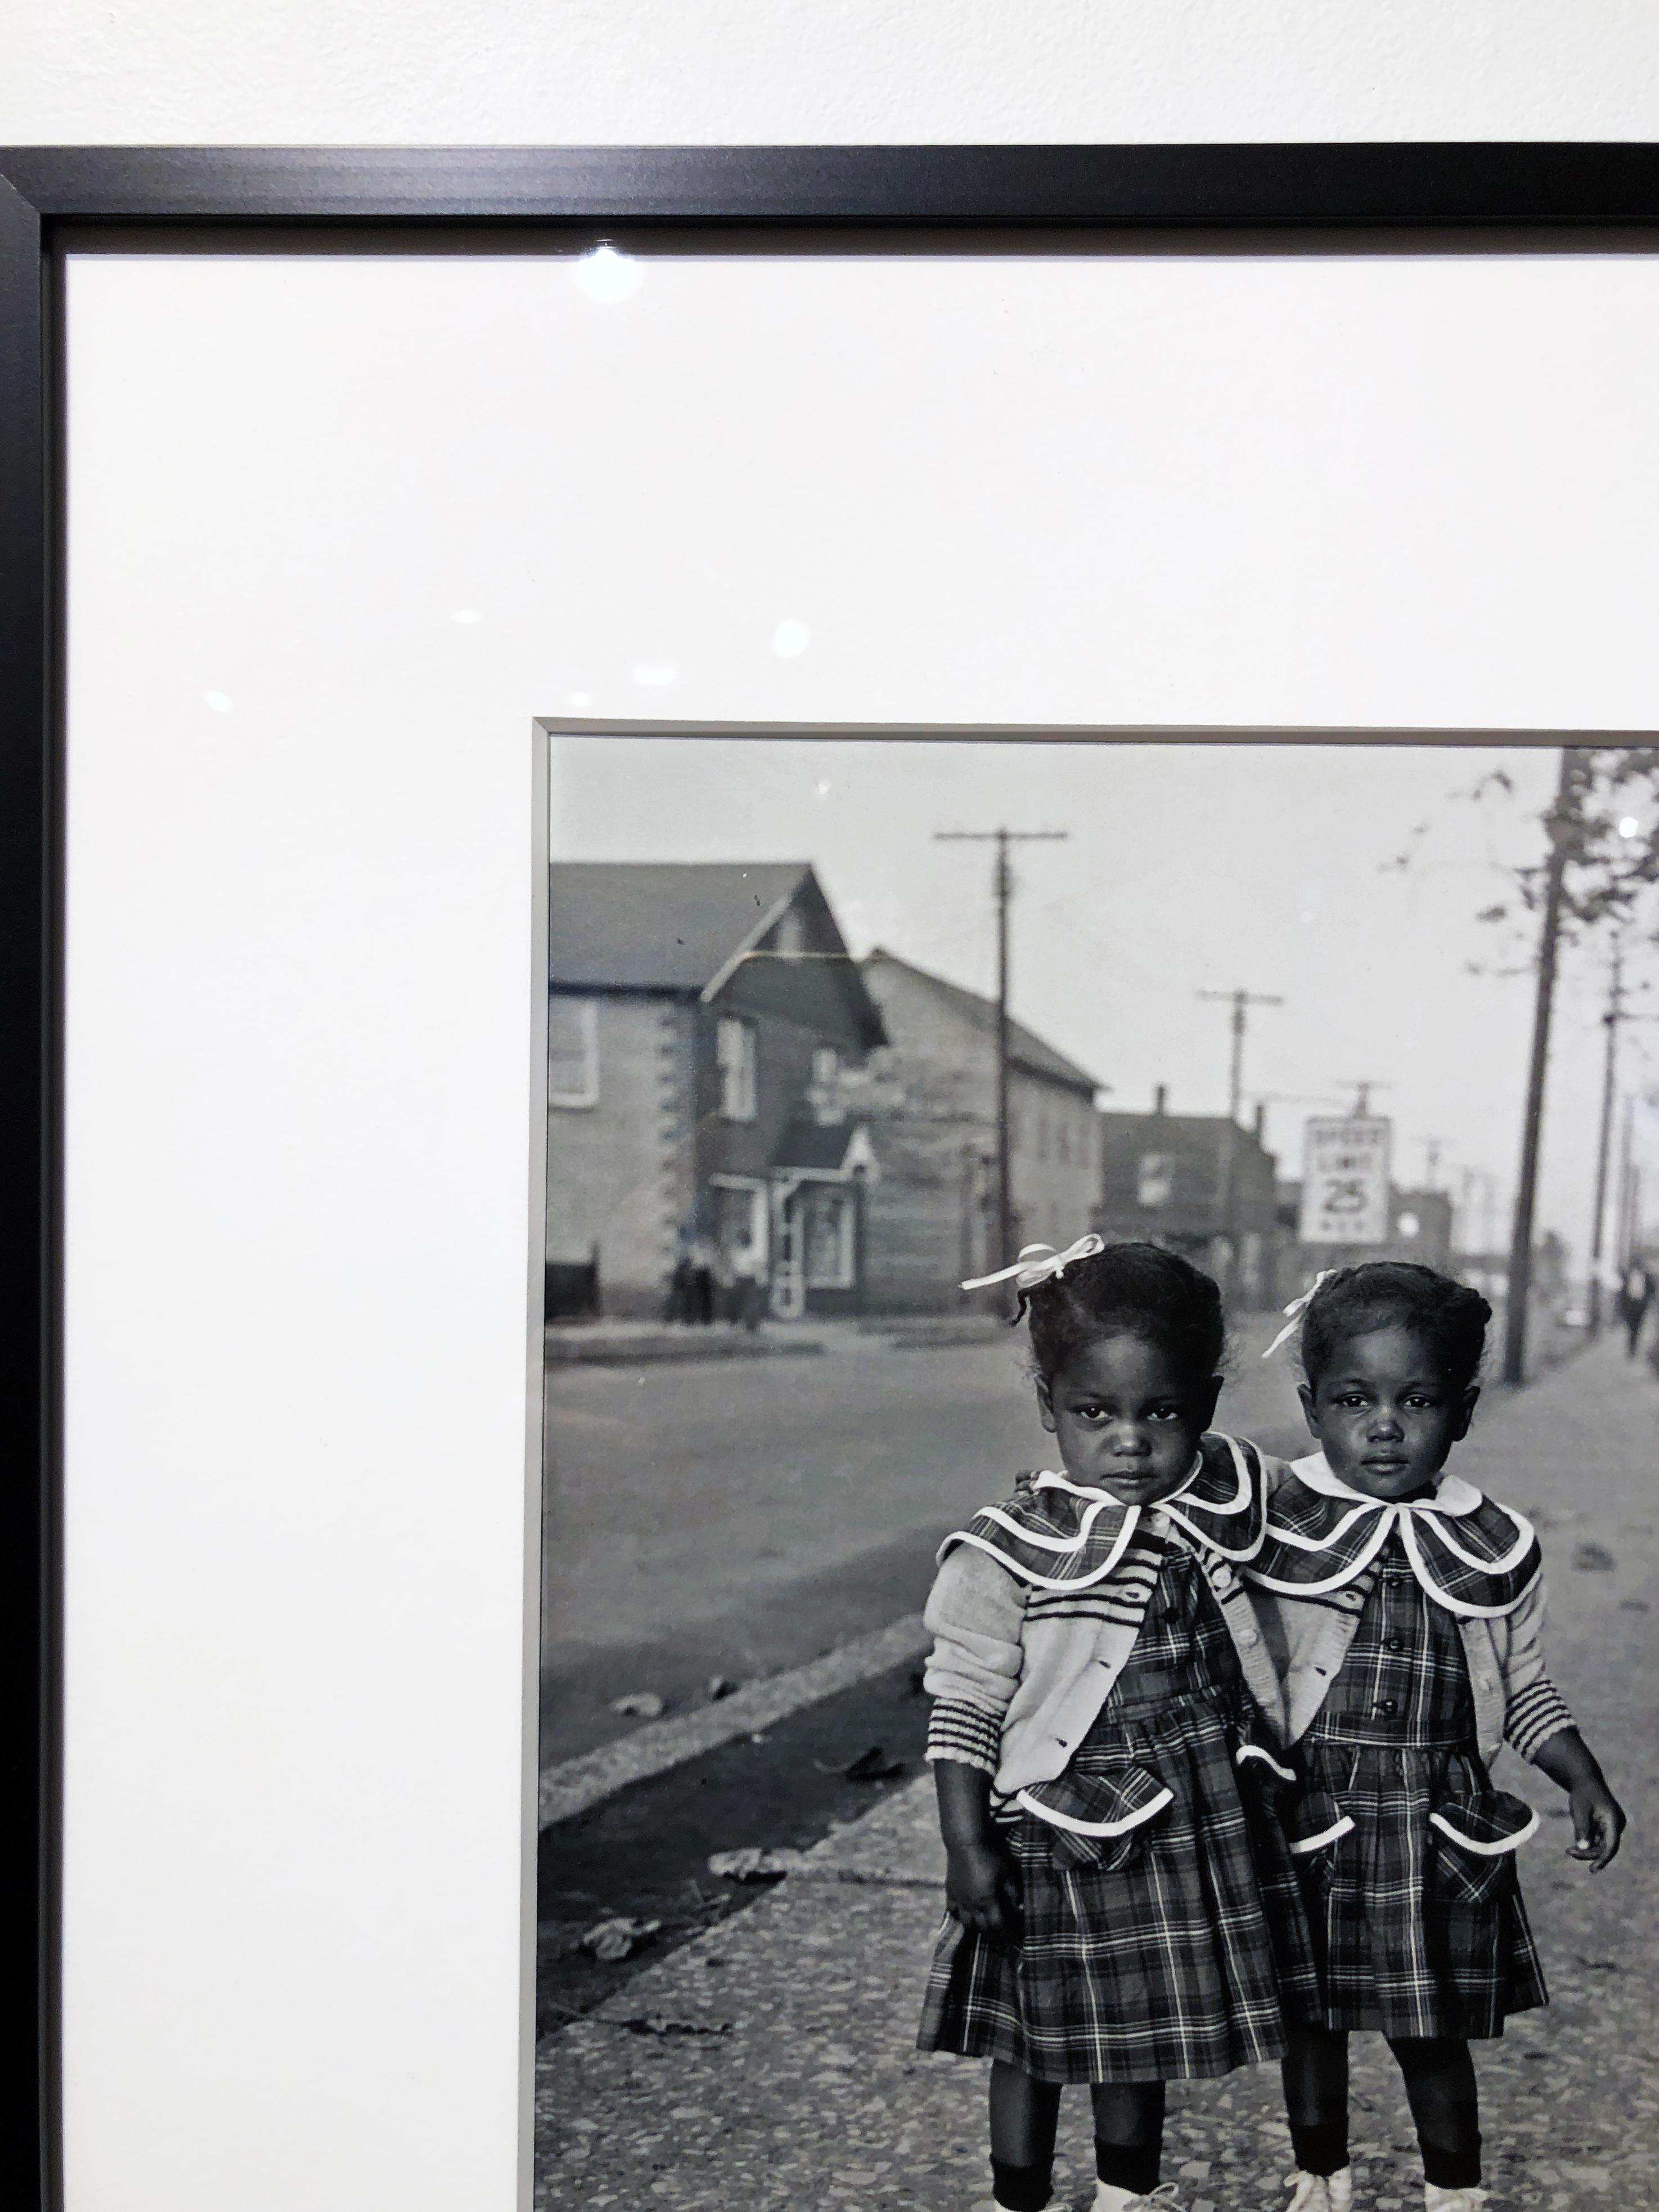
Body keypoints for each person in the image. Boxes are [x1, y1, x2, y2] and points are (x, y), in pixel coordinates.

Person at [917, 1235, 1318, 2212]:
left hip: (1179, 1825)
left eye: (1161, 1412)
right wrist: (965, 1843)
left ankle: (1124, 2195)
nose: (1129, 1441)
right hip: (1052, 1835)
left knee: (1130, 2036)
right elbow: (963, 1700)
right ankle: (1018, 2195)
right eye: (1093, 1413)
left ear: (1206, 1410)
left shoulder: (1217, 1503)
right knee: (1030, 2034)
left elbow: (1328, 1504)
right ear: (1048, 1407)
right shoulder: (1009, 1550)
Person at [1249, 1262, 1626, 2212]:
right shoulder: (1274, 1527)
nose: (1381, 1423)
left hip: (1431, 1827)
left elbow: (1523, 1685)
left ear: (1459, 1411)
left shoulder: (1489, 1546)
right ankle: (1318, 2175)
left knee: (1431, 2029)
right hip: (1315, 1816)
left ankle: (1450, 2190)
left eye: (1413, 1399)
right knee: (1311, 2018)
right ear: (1309, 1407)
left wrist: (1576, 1774)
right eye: (1351, 1398)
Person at [727, 1233, 769, 1331]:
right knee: (737, 1301)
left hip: (750, 1279)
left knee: (751, 1303)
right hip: (739, 1279)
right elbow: (734, 1268)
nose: (742, 1242)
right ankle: (735, 1322)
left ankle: (751, 1325)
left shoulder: (753, 1253)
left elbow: (758, 1267)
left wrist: (760, 1279)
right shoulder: (737, 1253)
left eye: (744, 1240)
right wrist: (731, 1278)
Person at [1617, 1257, 1653, 1358]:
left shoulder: (1647, 1276)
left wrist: (1647, 1300)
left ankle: (1633, 1347)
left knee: (1637, 1328)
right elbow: (1623, 1291)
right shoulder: (1629, 1276)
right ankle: (1631, 1347)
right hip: (1631, 1304)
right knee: (1631, 1327)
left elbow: (1652, 1289)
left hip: (1641, 1305)